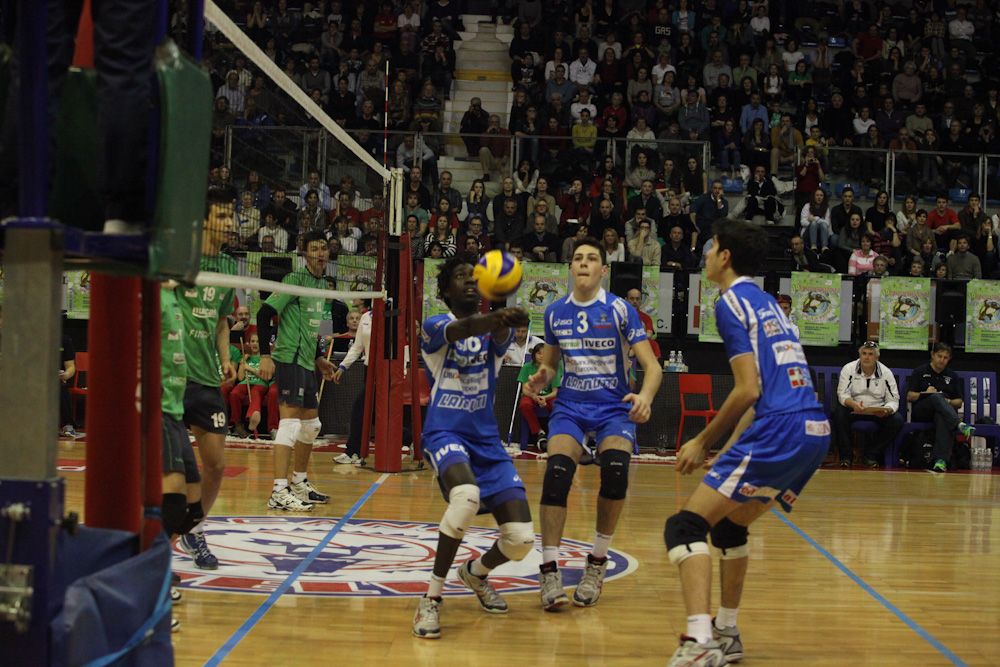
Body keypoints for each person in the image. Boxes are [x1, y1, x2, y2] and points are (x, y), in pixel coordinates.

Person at [666, 218, 830, 666]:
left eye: (711, 247)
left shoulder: (730, 303)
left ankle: (700, 643)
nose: (705, 254)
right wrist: (729, 449)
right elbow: (763, 392)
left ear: (725, 257)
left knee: (684, 528)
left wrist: (702, 441)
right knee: (729, 526)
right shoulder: (770, 305)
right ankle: (727, 632)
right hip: (813, 430)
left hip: (780, 428)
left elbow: (747, 391)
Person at [526, 236, 661, 610]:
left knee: (616, 473)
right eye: (578, 258)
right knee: (557, 476)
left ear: (603, 270)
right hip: (571, 406)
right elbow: (550, 364)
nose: (583, 263)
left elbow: (652, 366)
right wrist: (541, 377)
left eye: (591, 258)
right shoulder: (555, 312)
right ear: (571, 268)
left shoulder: (620, 310)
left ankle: (597, 563)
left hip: (613, 408)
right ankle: (549, 570)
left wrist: (645, 397)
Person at [412, 257, 535, 639]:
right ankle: (431, 598)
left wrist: (506, 315)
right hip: (445, 432)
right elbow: (464, 328)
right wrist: (502, 315)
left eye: (474, 277)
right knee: (465, 497)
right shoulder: (434, 325)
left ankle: (475, 574)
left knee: (521, 540)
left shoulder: (495, 332)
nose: (469, 281)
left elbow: (497, 332)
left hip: (487, 441)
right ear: (445, 290)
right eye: (460, 277)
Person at [174, 189, 238, 569]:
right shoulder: (181, 258)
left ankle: (194, 528)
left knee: (215, 464)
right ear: (204, 221)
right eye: (223, 216)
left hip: (206, 380)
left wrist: (226, 359)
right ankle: (156, 534)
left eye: (232, 216)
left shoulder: (227, 267)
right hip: (173, 377)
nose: (230, 224)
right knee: (178, 468)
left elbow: (221, 320)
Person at [256, 231, 337, 510]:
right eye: (314, 248)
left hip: (306, 361)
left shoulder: (323, 284)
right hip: (289, 358)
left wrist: (319, 358)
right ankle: (279, 490)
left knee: (312, 426)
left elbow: (317, 324)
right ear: (304, 253)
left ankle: (299, 482)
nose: (320, 253)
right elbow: (263, 314)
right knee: (290, 425)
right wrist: (265, 355)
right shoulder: (294, 280)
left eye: (324, 248)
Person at [159, 283, 204, 628]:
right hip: (156, 407)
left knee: (192, 509)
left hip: (175, 410)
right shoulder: (151, 292)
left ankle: (154, 570)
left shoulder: (176, 296)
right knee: (172, 500)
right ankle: (152, 581)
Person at [833, 341, 904, 468]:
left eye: (870, 354)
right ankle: (846, 457)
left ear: (877, 357)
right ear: (859, 355)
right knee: (839, 413)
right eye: (864, 353)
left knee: (897, 420)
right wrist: (853, 404)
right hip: (854, 408)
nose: (866, 357)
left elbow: (894, 400)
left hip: (877, 411)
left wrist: (887, 410)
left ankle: (871, 454)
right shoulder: (848, 369)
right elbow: (842, 394)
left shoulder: (886, 373)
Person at [906, 343, 975, 473]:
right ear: (932, 355)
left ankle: (940, 461)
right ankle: (959, 424)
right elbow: (910, 396)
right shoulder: (920, 371)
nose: (942, 360)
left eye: (945, 357)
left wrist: (948, 401)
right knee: (935, 396)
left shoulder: (952, 376)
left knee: (942, 415)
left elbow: (959, 402)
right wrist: (925, 393)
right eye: (939, 356)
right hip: (923, 411)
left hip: (943, 413)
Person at [332, 303, 373, 466]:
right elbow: (357, 347)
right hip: (369, 371)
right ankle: (353, 452)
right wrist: (343, 366)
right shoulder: (366, 317)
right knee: (361, 411)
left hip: (388, 372)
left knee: (365, 411)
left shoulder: (393, 317)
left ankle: (353, 451)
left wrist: (402, 372)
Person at [518, 343, 561, 449]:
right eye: (539, 353)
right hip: (531, 396)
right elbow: (524, 390)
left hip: (548, 397)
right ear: (534, 355)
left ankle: (556, 433)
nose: (542, 356)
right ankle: (539, 432)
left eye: (545, 354)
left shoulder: (552, 368)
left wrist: (544, 398)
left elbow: (555, 392)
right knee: (524, 404)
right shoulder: (527, 367)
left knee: (557, 405)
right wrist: (534, 397)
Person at [229, 333, 271, 438]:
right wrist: (242, 363)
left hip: (260, 383)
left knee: (255, 392)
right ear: (249, 343)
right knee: (234, 394)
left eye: (258, 341)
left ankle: (252, 418)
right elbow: (240, 378)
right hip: (246, 383)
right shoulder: (246, 357)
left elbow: (266, 377)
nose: (255, 344)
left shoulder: (265, 359)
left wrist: (250, 369)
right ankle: (237, 424)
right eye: (252, 341)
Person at [626, 288, 662, 360]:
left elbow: (649, 334)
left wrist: (635, 347)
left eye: (637, 299)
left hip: (640, 346)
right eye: (632, 299)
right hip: (623, 345)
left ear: (640, 301)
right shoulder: (619, 316)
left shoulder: (646, 318)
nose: (635, 301)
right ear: (626, 300)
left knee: (654, 344)